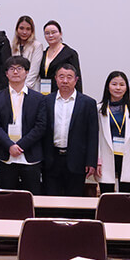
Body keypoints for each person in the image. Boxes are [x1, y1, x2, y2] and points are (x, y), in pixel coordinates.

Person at [0, 56, 46, 195]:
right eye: (11, 69)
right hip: (6, 156)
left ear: (26, 72)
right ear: (6, 73)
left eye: (19, 68)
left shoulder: (38, 98)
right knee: (6, 199)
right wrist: (10, 145)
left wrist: (20, 146)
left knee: (32, 198)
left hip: (30, 156)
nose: (15, 72)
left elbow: (40, 126)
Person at [42, 63, 98, 196]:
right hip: (51, 159)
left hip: (77, 160)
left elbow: (92, 135)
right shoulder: (46, 101)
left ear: (76, 80)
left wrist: (91, 162)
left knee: (74, 200)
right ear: (56, 79)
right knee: (50, 199)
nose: (65, 81)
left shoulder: (88, 103)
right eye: (61, 77)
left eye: (69, 77)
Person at [96, 71, 130, 193]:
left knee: (126, 196)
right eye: (114, 84)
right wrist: (97, 161)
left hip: (127, 157)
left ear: (127, 88)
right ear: (108, 87)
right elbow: (95, 138)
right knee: (107, 195)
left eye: (122, 84)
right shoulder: (99, 109)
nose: (118, 88)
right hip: (106, 157)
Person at [38, 20, 83, 95]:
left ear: (60, 33)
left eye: (54, 32)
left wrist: (78, 98)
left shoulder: (70, 53)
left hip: (63, 94)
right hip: (44, 94)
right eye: (47, 33)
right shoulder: (42, 53)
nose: (50, 35)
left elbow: (77, 79)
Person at [11, 15, 44, 92]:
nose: (24, 32)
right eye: (21, 28)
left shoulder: (37, 46)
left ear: (32, 31)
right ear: (17, 29)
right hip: (14, 88)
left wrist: (23, 88)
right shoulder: (13, 46)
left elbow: (34, 71)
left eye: (28, 29)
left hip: (30, 88)